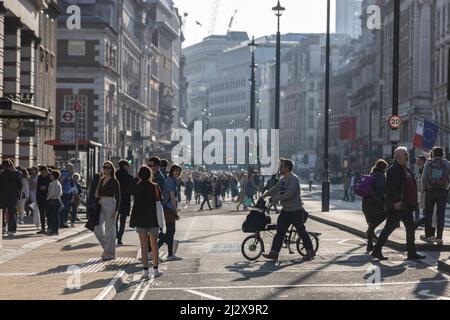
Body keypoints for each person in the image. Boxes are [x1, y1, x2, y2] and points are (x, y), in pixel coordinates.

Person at [371, 147, 425, 261]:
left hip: (406, 205)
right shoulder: (394, 169)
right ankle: (376, 250)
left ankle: (411, 252)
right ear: (395, 157)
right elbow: (393, 188)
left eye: (402, 156)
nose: (400, 158)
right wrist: (396, 201)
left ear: (407, 156)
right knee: (388, 229)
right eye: (397, 156)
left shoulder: (405, 168)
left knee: (410, 228)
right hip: (398, 205)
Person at [261, 159, 315, 261]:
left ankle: (310, 251)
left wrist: (276, 198)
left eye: (282, 166)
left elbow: (289, 194)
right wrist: (264, 195)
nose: (280, 168)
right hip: (285, 211)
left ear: (287, 168)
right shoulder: (283, 179)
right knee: (280, 232)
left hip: (295, 211)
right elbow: (275, 188)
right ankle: (274, 253)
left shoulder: (294, 179)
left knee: (301, 231)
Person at [128, 166, 163, 279]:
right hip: (153, 219)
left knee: (143, 246)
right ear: (150, 175)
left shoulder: (136, 186)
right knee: (154, 246)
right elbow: (159, 200)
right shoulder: (155, 186)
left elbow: (128, 190)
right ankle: (156, 270)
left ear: (139, 175)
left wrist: (135, 179)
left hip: (140, 219)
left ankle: (145, 272)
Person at [421, 147, 450, 245]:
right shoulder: (446, 163)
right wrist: (447, 187)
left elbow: (424, 177)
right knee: (440, 214)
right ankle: (439, 237)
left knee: (428, 213)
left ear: (433, 153)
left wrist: (425, 188)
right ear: (442, 154)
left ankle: (428, 235)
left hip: (430, 190)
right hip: (442, 191)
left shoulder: (428, 163)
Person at [94, 161, 121, 261]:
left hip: (111, 204)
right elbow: (97, 194)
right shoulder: (101, 179)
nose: (105, 169)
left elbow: (118, 196)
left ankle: (110, 253)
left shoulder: (114, 181)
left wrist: (116, 209)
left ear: (111, 169)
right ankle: (107, 248)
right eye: (104, 167)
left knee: (110, 230)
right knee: (97, 229)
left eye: (108, 167)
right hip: (100, 204)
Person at [362, 160, 388, 254]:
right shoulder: (380, 175)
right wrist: (383, 199)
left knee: (370, 222)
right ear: (383, 168)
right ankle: (371, 229)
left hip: (366, 203)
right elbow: (381, 189)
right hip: (375, 202)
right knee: (386, 214)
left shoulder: (371, 174)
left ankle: (369, 245)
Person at [159, 164, 182, 261]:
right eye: (176, 171)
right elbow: (172, 197)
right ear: (172, 171)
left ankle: (170, 254)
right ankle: (152, 248)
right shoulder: (171, 181)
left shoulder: (172, 180)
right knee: (170, 231)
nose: (178, 173)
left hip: (169, 207)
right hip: (169, 208)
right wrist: (176, 211)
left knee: (170, 231)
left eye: (179, 171)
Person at [0, 159, 22, 238]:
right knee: (12, 213)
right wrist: (18, 196)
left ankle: (2, 227)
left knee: (2, 212)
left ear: (3, 166)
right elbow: (20, 186)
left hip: (3, 196)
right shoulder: (17, 174)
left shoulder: (1, 174)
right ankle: (11, 230)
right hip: (13, 196)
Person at [115, 160, 134, 246]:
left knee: (114, 220)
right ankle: (119, 238)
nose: (129, 167)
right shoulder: (129, 177)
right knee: (122, 221)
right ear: (124, 166)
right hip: (125, 201)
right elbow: (133, 190)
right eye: (128, 165)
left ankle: (115, 233)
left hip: (115, 200)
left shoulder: (115, 175)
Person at [46, 170, 63, 235]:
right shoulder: (58, 183)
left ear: (54, 176)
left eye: (51, 175)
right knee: (56, 216)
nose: (50, 176)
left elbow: (51, 193)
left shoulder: (52, 183)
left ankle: (54, 230)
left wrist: (47, 198)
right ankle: (55, 230)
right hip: (57, 200)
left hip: (52, 200)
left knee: (52, 216)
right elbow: (61, 193)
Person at [59, 163, 75, 228]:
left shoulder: (68, 174)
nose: (72, 169)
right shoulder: (65, 174)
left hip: (67, 193)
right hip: (64, 193)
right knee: (64, 208)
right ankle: (62, 222)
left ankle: (63, 222)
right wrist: (61, 191)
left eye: (72, 168)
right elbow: (61, 181)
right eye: (70, 168)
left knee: (66, 208)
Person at [36, 166, 51, 234]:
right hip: (40, 197)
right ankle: (43, 228)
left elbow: (52, 186)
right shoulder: (39, 177)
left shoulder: (50, 176)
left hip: (48, 197)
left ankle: (49, 227)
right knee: (41, 213)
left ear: (46, 171)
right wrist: (41, 187)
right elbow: (38, 185)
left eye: (43, 172)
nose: (42, 173)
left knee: (48, 213)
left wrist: (46, 187)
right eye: (41, 172)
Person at [415, 155, 427, 222]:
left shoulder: (424, 169)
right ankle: (417, 220)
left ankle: (424, 222)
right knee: (417, 206)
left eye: (418, 160)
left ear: (422, 161)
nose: (417, 161)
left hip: (423, 191)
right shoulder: (419, 169)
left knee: (424, 207)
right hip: (418, 191)